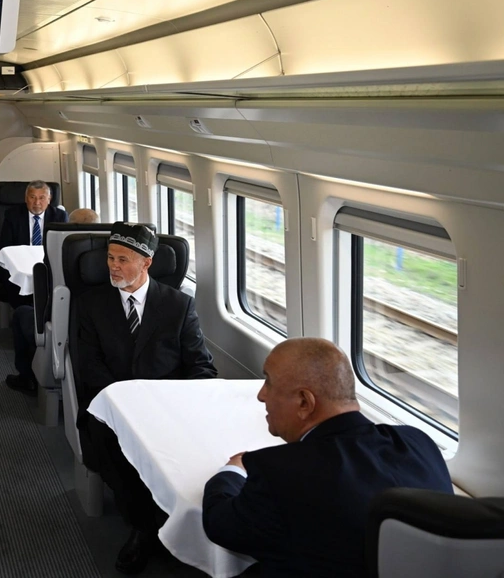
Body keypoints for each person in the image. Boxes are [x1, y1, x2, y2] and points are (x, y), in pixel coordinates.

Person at [202, 338, 453, 578]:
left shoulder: (279, 473)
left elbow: (220, 525)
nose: (261, 395)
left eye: (268, 381)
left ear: (304, 402)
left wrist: (233, 470)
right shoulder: (418, 442)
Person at [76, 221, 217, 574]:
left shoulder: (178, 305)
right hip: (111, 407)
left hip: (168, 406)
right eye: (110, 258)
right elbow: (89, 366)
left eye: (123, 260)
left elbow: (201, 366)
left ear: (147, 263)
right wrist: (124, 404)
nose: (113, 266)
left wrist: (183, 403)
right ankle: (144, 527)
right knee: (114, 448)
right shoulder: (91, 304)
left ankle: (184, 521)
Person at [6, 206, 99, 395]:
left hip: (59, 327)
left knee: (22, 313)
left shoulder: (57, 252)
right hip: (96, 327)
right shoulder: (111, 255)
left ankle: (26, 377)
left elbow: (47, 290)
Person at [0, 180, 69, 309]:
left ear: (49, 199)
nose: (37, 203)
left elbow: (62, 246)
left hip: (48, 262)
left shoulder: (60, 217)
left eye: (42, 198)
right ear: (25, 198)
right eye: (32, 197)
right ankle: (23, 312)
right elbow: (5, 246)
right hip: (20, 262)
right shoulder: (13, 215)